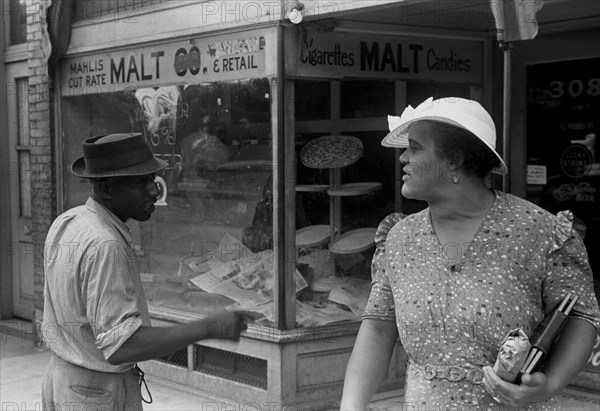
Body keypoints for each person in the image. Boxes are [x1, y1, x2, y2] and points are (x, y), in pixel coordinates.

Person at [340, 97, 600, 410]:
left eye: (415, 146)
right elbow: (379, 329)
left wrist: (549, 384)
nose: (402, 158)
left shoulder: (539, 232)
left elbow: (581, 317)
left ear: (454, 159)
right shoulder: (400, 239)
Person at [42, 133, 251, 410]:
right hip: (96, 393)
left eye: (153, 179)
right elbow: (123, 346)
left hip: (64, 379)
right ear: (106, 190)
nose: (155, 190)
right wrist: (210, 326)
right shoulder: (105, 243)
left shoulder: (68, 220)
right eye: (141, 182)